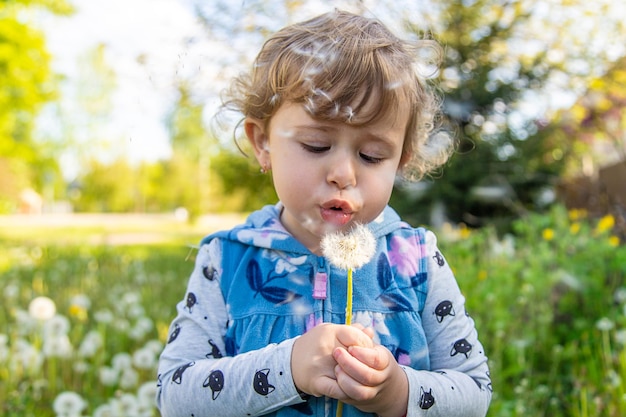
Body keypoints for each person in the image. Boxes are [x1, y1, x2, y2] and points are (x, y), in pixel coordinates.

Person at [156, 9, 492, 417]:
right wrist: (288, 369)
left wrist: (398, 392)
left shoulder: (416, 260)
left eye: (372, 155)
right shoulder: (226, 260)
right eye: (316, 145)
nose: (343, 174)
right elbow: (175, 396)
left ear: (400, 161)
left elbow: (474, 392)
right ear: (263, 142)